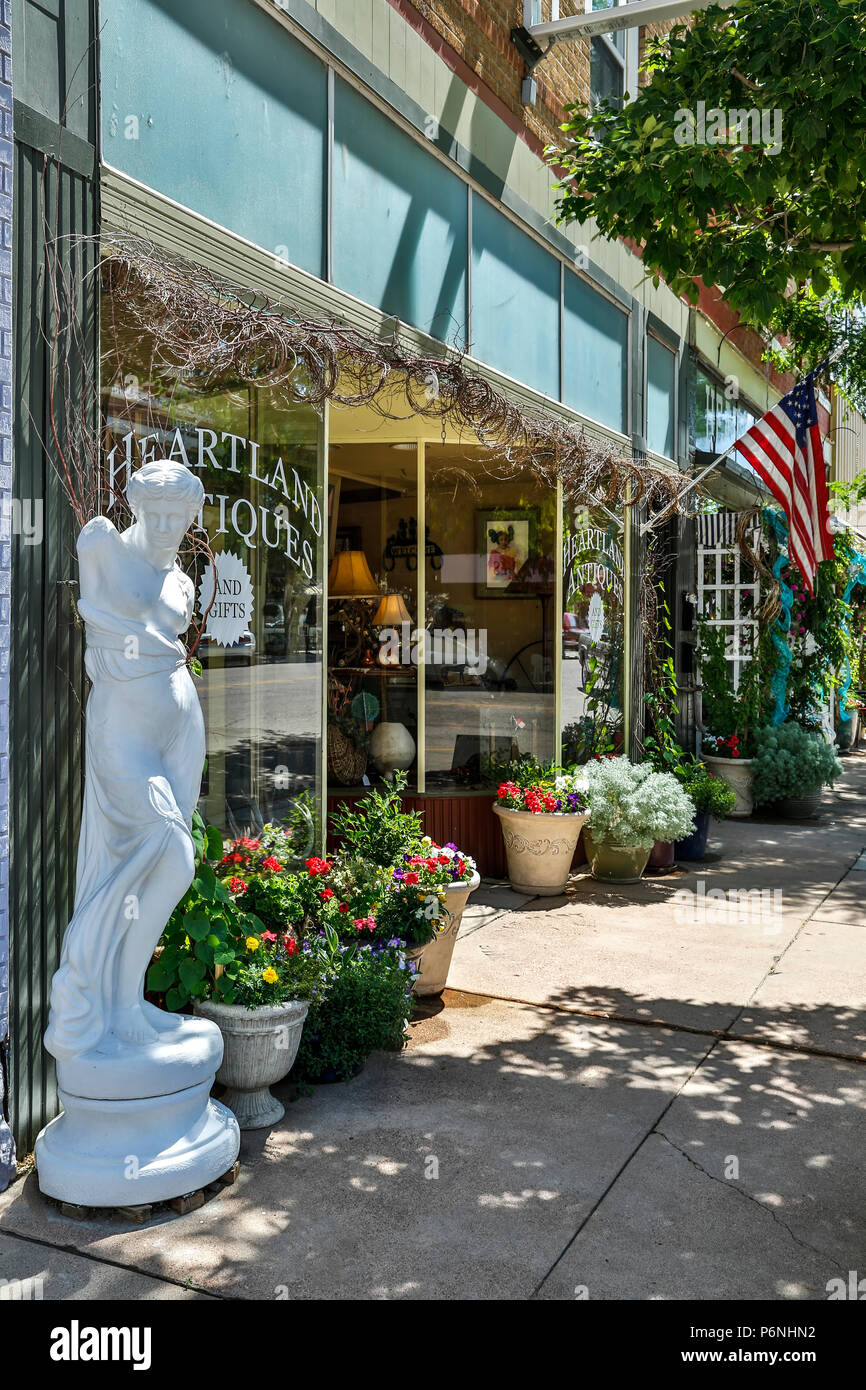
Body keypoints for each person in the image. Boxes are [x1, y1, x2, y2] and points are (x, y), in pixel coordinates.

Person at [45, 460, 207, 1061]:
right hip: (124, 735)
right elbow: (97, 615)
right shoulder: (103, 548)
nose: (167, 525)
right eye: (155, 512)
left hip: (178, 734)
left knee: (168, 862)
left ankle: (128, 997)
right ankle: (99, 994)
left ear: (192, 516)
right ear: (136, 508)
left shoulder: (182, 583)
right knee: (169, 852)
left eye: (179, 515)